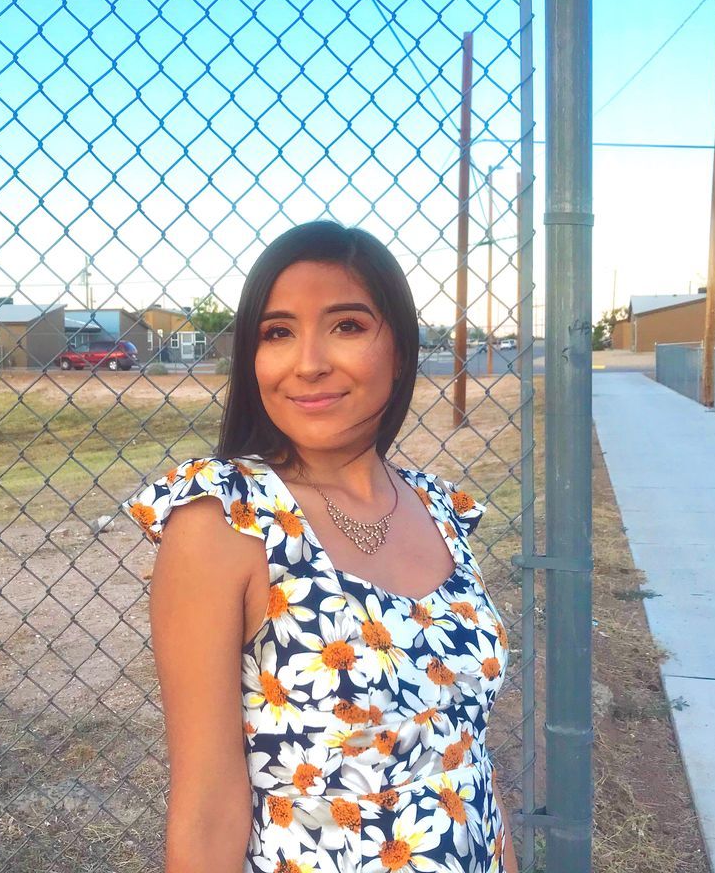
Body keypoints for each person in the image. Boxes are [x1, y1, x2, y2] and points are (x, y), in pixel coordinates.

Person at [123, 221, 517, 873]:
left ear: (400, 346)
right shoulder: (226, 523)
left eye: (346, 326)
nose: (308, 362)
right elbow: (206, 812)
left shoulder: (440, 509)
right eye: (277, 333)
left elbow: (468, 750)